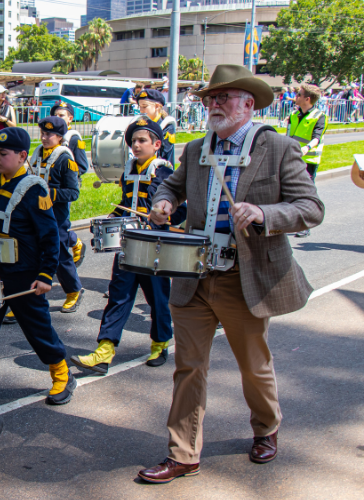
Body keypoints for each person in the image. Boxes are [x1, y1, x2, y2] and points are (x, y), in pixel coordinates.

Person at [139, 65, 324, 484]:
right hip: (194, 276)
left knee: (253, 366)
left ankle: (266, 426)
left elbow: (311, 208)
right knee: (188, 366)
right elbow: (171, 185)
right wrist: (164, 203)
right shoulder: (196, 147)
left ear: (248, 104)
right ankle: (183, 453)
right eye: (211, 98)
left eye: (224, 97)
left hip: (246, 277)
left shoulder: (278, 148)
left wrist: (264, 213)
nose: (214, 104)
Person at [0, 128, 76, 410]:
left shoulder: (33, 189)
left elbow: (49, 236)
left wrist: (46, 275)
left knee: (37, 328)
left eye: (4, 154)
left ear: (22, 156)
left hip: (25, 273)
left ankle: (62, 373)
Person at [70, 118, 185, 375]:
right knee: (118, 295)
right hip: (128, 242)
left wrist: (161, 215)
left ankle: (160, 342)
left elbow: (179, 210)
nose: (136, 145)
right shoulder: (129, 169)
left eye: (142, 140)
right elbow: (125, 203)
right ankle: (105, 350)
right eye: (133, 141)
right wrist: (112, 217)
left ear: (157, 144)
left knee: (157, 298)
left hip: (154, 245)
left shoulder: (163, 170)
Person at [28, 116, 83, 313]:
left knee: (58, 255)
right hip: (35, 213)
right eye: (42, 133)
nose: (44, 138)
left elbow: (73, 193)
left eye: (49, 134)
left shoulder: (65, 158)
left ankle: (73, 290)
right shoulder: (36, 154)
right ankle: (28, 296)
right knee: (31, 252)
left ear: (60, 137)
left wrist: (50, 194)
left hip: (56, 216)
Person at [50, 101, 89, 269]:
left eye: (62, 116)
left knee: (59, 223)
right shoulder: (50, 136)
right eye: (55, 115)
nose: (58, 118)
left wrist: (67, 174)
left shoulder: (73, 139)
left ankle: (73, 243)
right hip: (49, 187)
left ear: (70, 119)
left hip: (65, 187)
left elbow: (82, 165)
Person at [287, 83, 327, 238]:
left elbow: (317, 138)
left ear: (307, 99)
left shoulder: (320, 117)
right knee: (287, 191)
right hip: (292, 158)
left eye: (299, 94)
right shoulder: (293, 115)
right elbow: (288, 137)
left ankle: (305, 225)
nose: (296, 96)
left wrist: (305, 149)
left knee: (305, 194)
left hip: (308, 160)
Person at [136, 89, 176, 165]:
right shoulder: (142, 124)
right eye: (140, 107)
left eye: (144, 106)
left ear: (157, 106)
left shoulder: (166, 126)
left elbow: (164, 154)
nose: (141, 110)